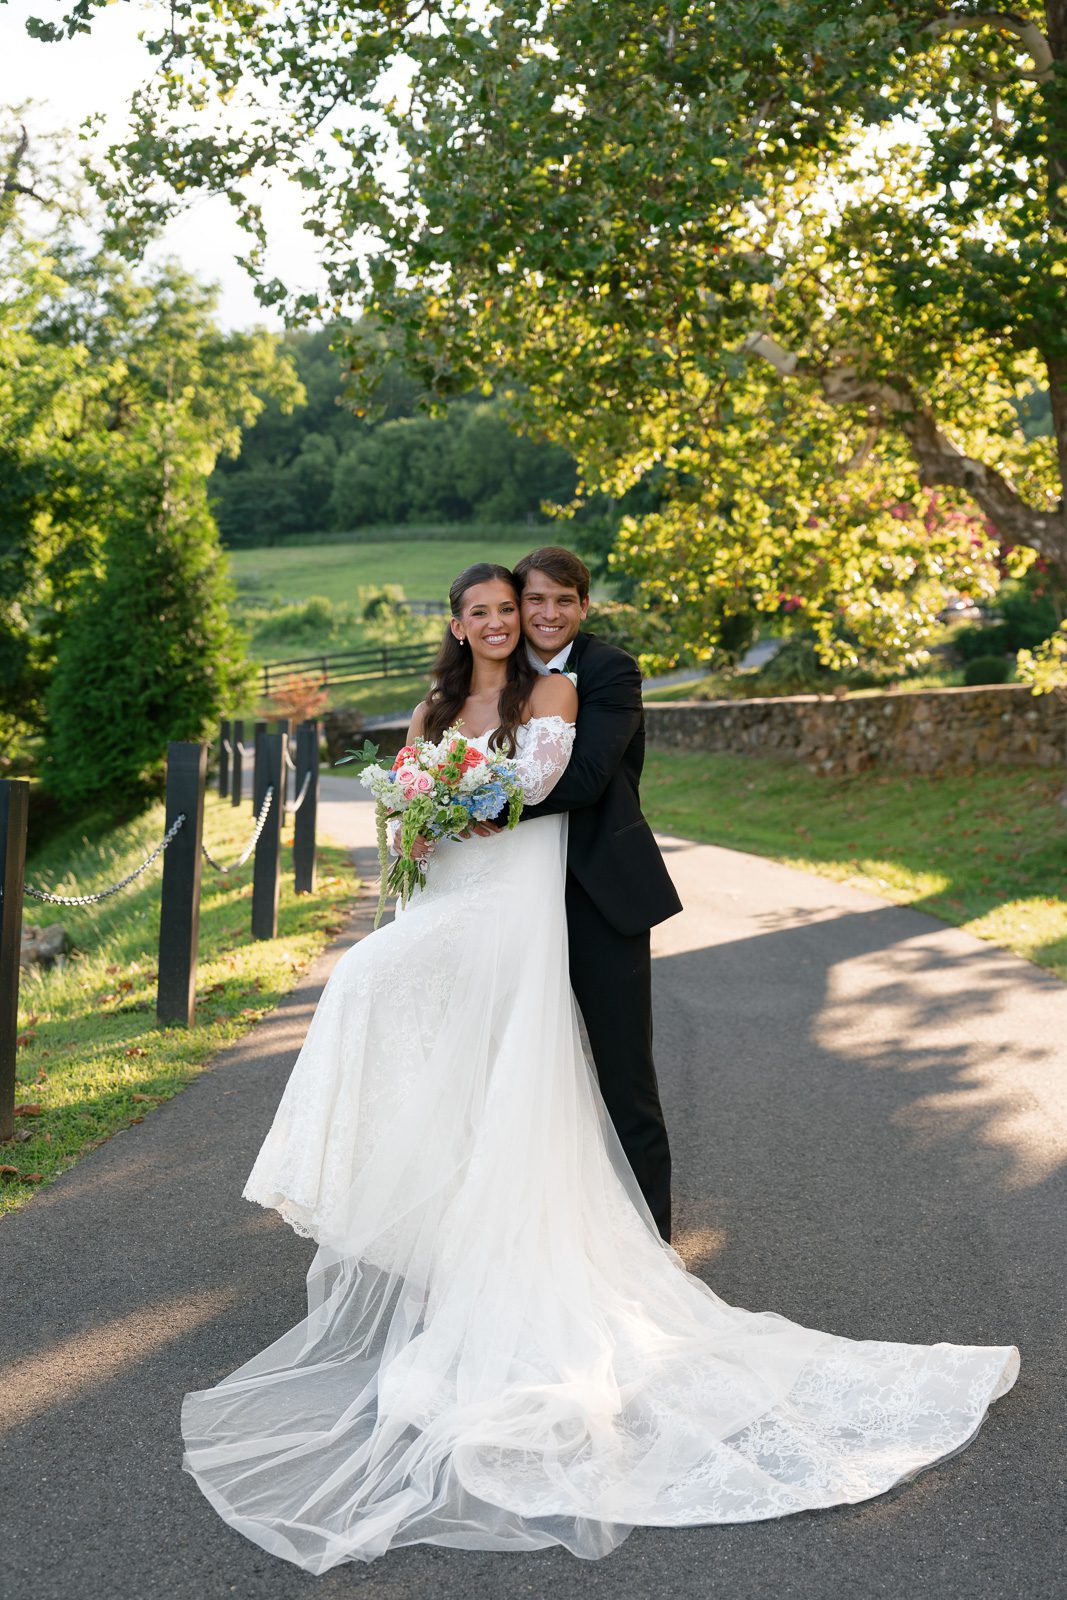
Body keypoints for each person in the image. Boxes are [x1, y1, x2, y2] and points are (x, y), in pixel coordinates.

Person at [181, 562, 1018, 1576]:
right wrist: (426, 805)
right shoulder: (441, 696)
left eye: (531, 605)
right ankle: (441, 1243)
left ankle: (638, 1256)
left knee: (612, 1084)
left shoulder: (584, 677)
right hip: (461, 889)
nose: (517, 619)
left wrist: (466, 797)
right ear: (462, 622)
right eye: (494, 608)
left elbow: (561, 784)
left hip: (556, 894)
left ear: (570, 608)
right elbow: (406, 796)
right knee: (437, 1048)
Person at [512, 545, 680, 1241]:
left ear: (584, 606)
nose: (548, 613)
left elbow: (582, 783)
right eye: (536, 600)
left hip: (599, 895)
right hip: (510, 899)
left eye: (564, 600)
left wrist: (466, 806)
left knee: (623, 1080)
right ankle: (531, 1242)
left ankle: (652, 1249)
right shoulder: (494, 670)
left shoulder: (611, 669)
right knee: (515, 1073)